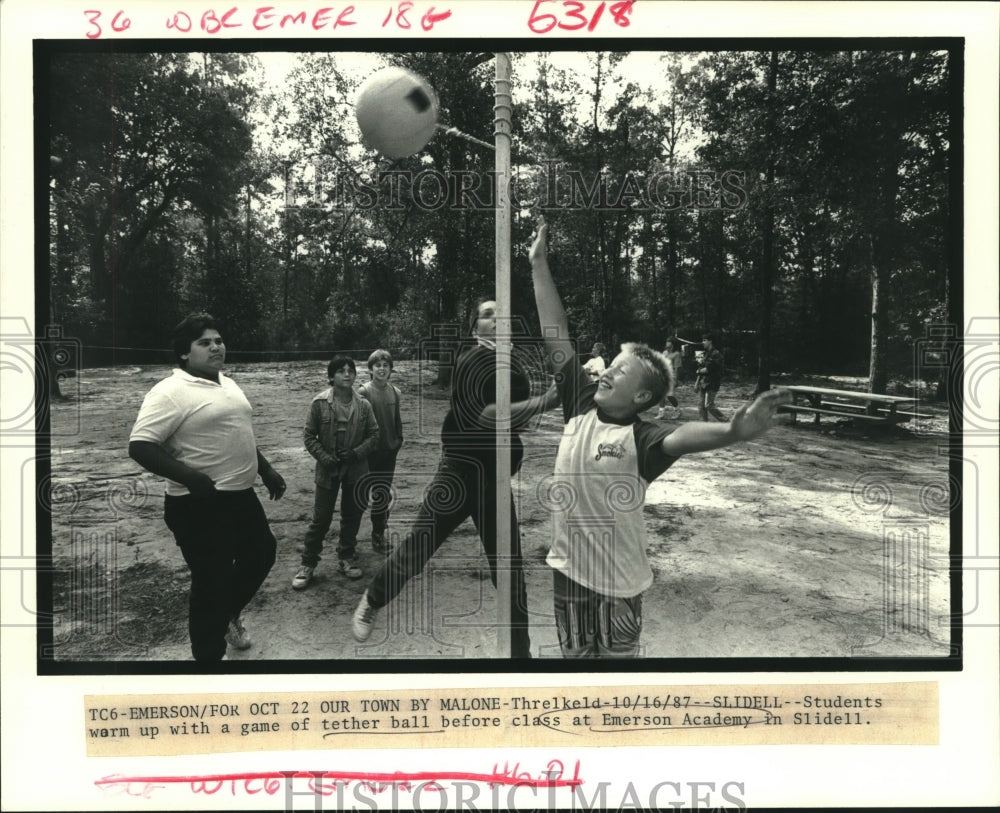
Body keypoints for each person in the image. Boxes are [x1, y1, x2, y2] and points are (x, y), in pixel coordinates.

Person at [528, 217, 789, 658]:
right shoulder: (579, 402)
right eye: (609, 365)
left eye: (620, 369)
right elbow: (556, 330)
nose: (606, 370)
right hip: (567, 571)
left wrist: (733, 430)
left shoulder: (643, 437)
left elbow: (684, 436)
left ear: (644, 395)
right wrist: (538, 264)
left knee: (615, 665)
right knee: (573, 659)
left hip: (619, 582)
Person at [351, 299, 559, 658]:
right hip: (458, 474)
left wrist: (555, 396)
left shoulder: (513, 367)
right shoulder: (471, 360)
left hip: (494, 479)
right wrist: (547, 401)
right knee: (419, 547)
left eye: (501, 313)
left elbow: (515, 419)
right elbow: (486, 416)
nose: (497, 319)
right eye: (488, 314)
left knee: (510, 572)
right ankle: (373, 598)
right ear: (474, 326)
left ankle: (520, 657)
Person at [128, 313, 286, 662]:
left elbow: (236, 431)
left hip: (241, 497)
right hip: (198, 505)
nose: (216, 347)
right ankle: (208, 661)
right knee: (210, 584)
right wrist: (192, 478)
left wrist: (267, 469)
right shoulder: (169, 392)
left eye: (218, 340)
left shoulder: (226, 382)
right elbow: (140, 446)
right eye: (205, 342)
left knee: (262, 554)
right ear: (184, 354)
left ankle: (224, 616)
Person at [293, 356, 380, 590]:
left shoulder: (364, 405)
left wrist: (357, 453)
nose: (347, 374)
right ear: (331, 377)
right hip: (327, 470)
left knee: (352, 516)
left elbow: (374, 434)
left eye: (350, 370)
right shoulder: (319, 403)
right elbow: (309, 437)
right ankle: (308, 564)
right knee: (321, 519)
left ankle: (346, 557)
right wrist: (325, 457)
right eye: (341, 371)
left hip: (356, 470)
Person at [358, 349, 404, 554]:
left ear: (391, 369)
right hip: (368, 454)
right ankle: (348, 541)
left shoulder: (395, 391)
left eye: (386, 365)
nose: (382, 369)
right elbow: (358, 425)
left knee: (382, 495)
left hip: (388, 452)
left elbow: (396, 420)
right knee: (357, 495)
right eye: (378, 365)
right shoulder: (363, 392)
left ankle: (378, 536)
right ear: (370, 369)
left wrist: (397, 441)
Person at [695, 332, 726, 421]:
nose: (702, 342)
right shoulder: (706, 354)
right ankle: (704, 426)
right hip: (703, 383)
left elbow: (708, 369)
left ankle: (726, 421)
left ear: (710, 341)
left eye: (704, 340)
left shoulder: (716, 354)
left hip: (712, 383)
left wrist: (698, 371)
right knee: (701, 407)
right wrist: (697, 383)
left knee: (709, 405)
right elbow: (701, 369)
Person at [655, 337, 683, 420]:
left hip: (672, 376)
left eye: (669, 342)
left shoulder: (677, 354)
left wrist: (676, 379)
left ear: (673, 344)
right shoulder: (664, 353)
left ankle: (677, 411)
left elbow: (677, 368)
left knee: (669, 395)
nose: (667, 343)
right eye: (667, 341)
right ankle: (661, 413)